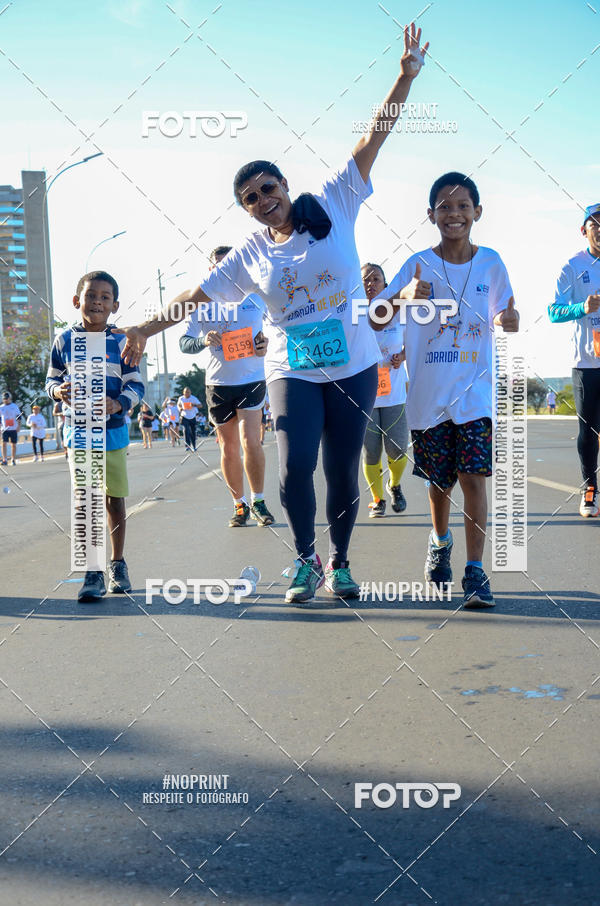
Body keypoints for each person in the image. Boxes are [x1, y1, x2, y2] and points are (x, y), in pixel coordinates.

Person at [116, 24, 429, 602]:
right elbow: (196, 298)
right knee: (293, 468)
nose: (263, 201)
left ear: (284, 183)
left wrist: (403, 78)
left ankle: (339, 561)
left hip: (356, 363)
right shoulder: (251, 255)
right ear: (248, 211)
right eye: (251, 199)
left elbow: (371, 140)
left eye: (267, 187)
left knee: (340, 470)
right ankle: (305, 558)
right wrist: (142, 325)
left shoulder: (334, 200)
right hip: (292, 367)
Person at [371, 172, 519, 608]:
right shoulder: (417, 263)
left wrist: (507, 322)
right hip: (428, 399)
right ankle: (440, 541)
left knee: (475, 478)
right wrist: (402, 297)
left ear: (477, 212)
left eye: (463, 206)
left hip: (475, 393)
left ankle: (475, 572)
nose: (454, 214)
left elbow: (502, 315)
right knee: (440, 483)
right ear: (431, 214)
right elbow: (376, 318)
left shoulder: (491, 262)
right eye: (444, 207)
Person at [46, 270, 144, 602]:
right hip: (78, 431)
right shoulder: (64, 341)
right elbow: (50, 381)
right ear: (77, 301)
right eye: (90, 296)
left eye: (104, 297)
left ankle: (118, 564)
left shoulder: (122, 341)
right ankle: (92, 571)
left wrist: (118, 402)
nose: (97, 301)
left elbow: (137, 385)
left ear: (114, 305)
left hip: (113, 433)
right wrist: (59, 391)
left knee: (113, 499)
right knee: (86, 500)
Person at [180, 246, 275, 527]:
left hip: (251, 379)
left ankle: (258, 501)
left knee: (250, 441)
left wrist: (264, 344)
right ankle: (239, 505)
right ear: (211, 271)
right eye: (218, 267)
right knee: (229, 449)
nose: (224, 272)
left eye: (229, 266)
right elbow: (184, 343)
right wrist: (203, 341)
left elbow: (277, 330)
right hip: (218, 384)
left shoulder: (256, 297)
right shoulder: (199, 303)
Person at [548, 203, 600, 517]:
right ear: (584, 230)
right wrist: (583, 307)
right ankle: (590, 488)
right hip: (586, 363)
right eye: (595, 223)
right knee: (589, 430)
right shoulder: (572, 266)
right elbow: (554, 311)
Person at [361, 263, 409, 517]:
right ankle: (377, 499)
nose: (370, 284)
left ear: (386, 284)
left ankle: (395, 485)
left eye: (376, 279)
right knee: (371, 452)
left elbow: (414, 342)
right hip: (364, 394)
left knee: (398, 448)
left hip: (394, 394)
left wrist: (402, 356)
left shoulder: (398, 311)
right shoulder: (353, 312)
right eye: (365, 280)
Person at [177, 386, 202, 451]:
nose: (187, 393)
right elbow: (179, 405)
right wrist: (180, 408)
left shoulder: (193, 398)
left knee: (192, 432)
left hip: (192, 417)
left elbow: (200, 405)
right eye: (185, 392)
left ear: (190, 392)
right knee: (186, 430)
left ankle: (194, 446)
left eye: (188, 392)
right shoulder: (181, 398)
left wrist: (194, 405)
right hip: (184, 416)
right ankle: (187, 446)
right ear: (183, 392)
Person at [0, 391, 21, 466]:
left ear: (9, 398)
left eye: (7, 398)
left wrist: (18, 426)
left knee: (13, 445)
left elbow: (18, 416)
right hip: (4, 429)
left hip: (13, 428)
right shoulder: (1, 407)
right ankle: (4, 459)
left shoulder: (14, 406)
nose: (5, 400)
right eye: (4, 399)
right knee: (4, 443)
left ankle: (13, 459)